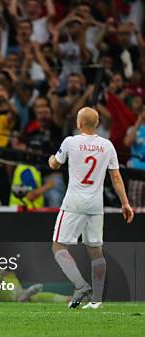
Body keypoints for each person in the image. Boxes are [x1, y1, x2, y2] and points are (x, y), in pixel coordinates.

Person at [48, 107, 133, 309]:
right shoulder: (107, 146)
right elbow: (116, 177)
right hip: (96, 205)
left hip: (74, 203)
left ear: (79, 123)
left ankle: (80, 286)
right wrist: (125, 203)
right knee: (95, 251)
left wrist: (51, 158)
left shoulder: (70, 142)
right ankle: (97, 300)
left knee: (58, 247)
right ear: (96, 124)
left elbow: (54, 164)